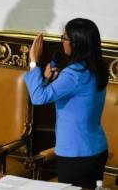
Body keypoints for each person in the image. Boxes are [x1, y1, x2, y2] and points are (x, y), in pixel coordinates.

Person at [24, 18, 108, 189]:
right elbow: (64, 94)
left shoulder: (73, 74)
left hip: (76, 155)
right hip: (96, 149)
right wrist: (47, 79)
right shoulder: (97, 68)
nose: (62, 41)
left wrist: (33, 61)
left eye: (65, 38)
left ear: (76, 43)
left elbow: (38, 97)